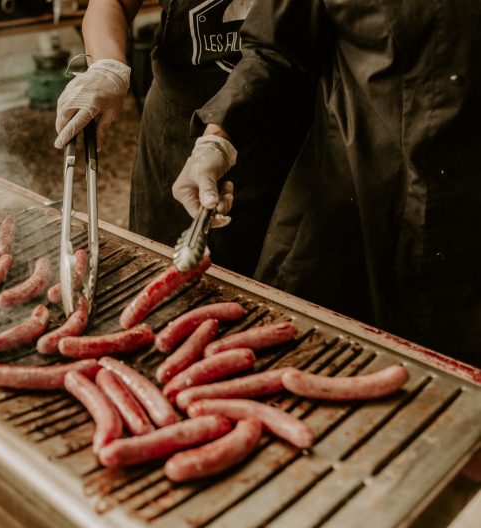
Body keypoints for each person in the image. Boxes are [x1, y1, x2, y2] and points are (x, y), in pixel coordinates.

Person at [170, 0, 481, 363]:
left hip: (470, 237)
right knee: (298, 365)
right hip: (348, 212)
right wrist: (217, 139)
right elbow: (274, 49)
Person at [54, 0, 310, 277]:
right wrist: (107, 66)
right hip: (177, 130)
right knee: (160, 271)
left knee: (278, 279)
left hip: (283, 130)